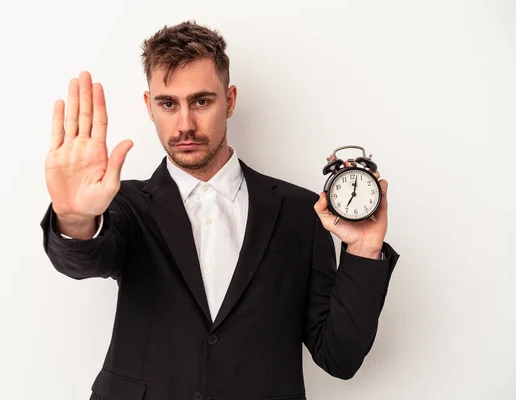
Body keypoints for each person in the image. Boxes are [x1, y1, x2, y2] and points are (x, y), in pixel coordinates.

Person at [40, 20, 400, 400]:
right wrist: (76, 218)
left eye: (201, 101)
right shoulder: (125, 207)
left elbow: (339, 358)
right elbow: (86, 259)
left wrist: (363, 251)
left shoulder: (299, 212)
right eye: (168, 104)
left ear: (229, 100)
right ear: (150, 106)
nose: (185, 125)